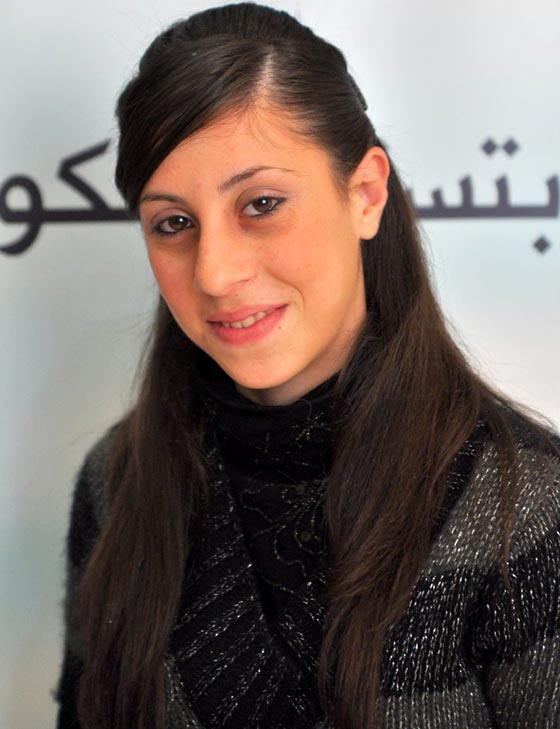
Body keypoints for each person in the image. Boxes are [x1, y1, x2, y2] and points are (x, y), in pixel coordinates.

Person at [55, 3, 560, 728]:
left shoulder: (527, 509)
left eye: (261, 203)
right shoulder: (119, 481)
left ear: (365, 194)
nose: (214, 272)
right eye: (174, 223)